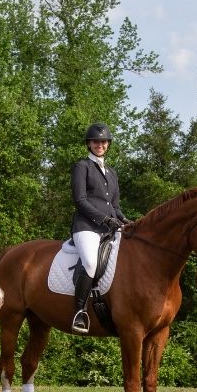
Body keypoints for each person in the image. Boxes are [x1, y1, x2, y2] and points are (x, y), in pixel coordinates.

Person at [69, 123, 129, 333]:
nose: (99, 145)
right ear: (89, 144)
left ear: (108, 144)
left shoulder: (111, 173)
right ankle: (79, 312)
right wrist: (104, 219)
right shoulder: (82, 167)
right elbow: (80, 200)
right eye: (96, 141)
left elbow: (115, 206)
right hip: (86, 227)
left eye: (103, 142)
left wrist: (125, 221)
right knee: (91, 262)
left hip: (109, 227)